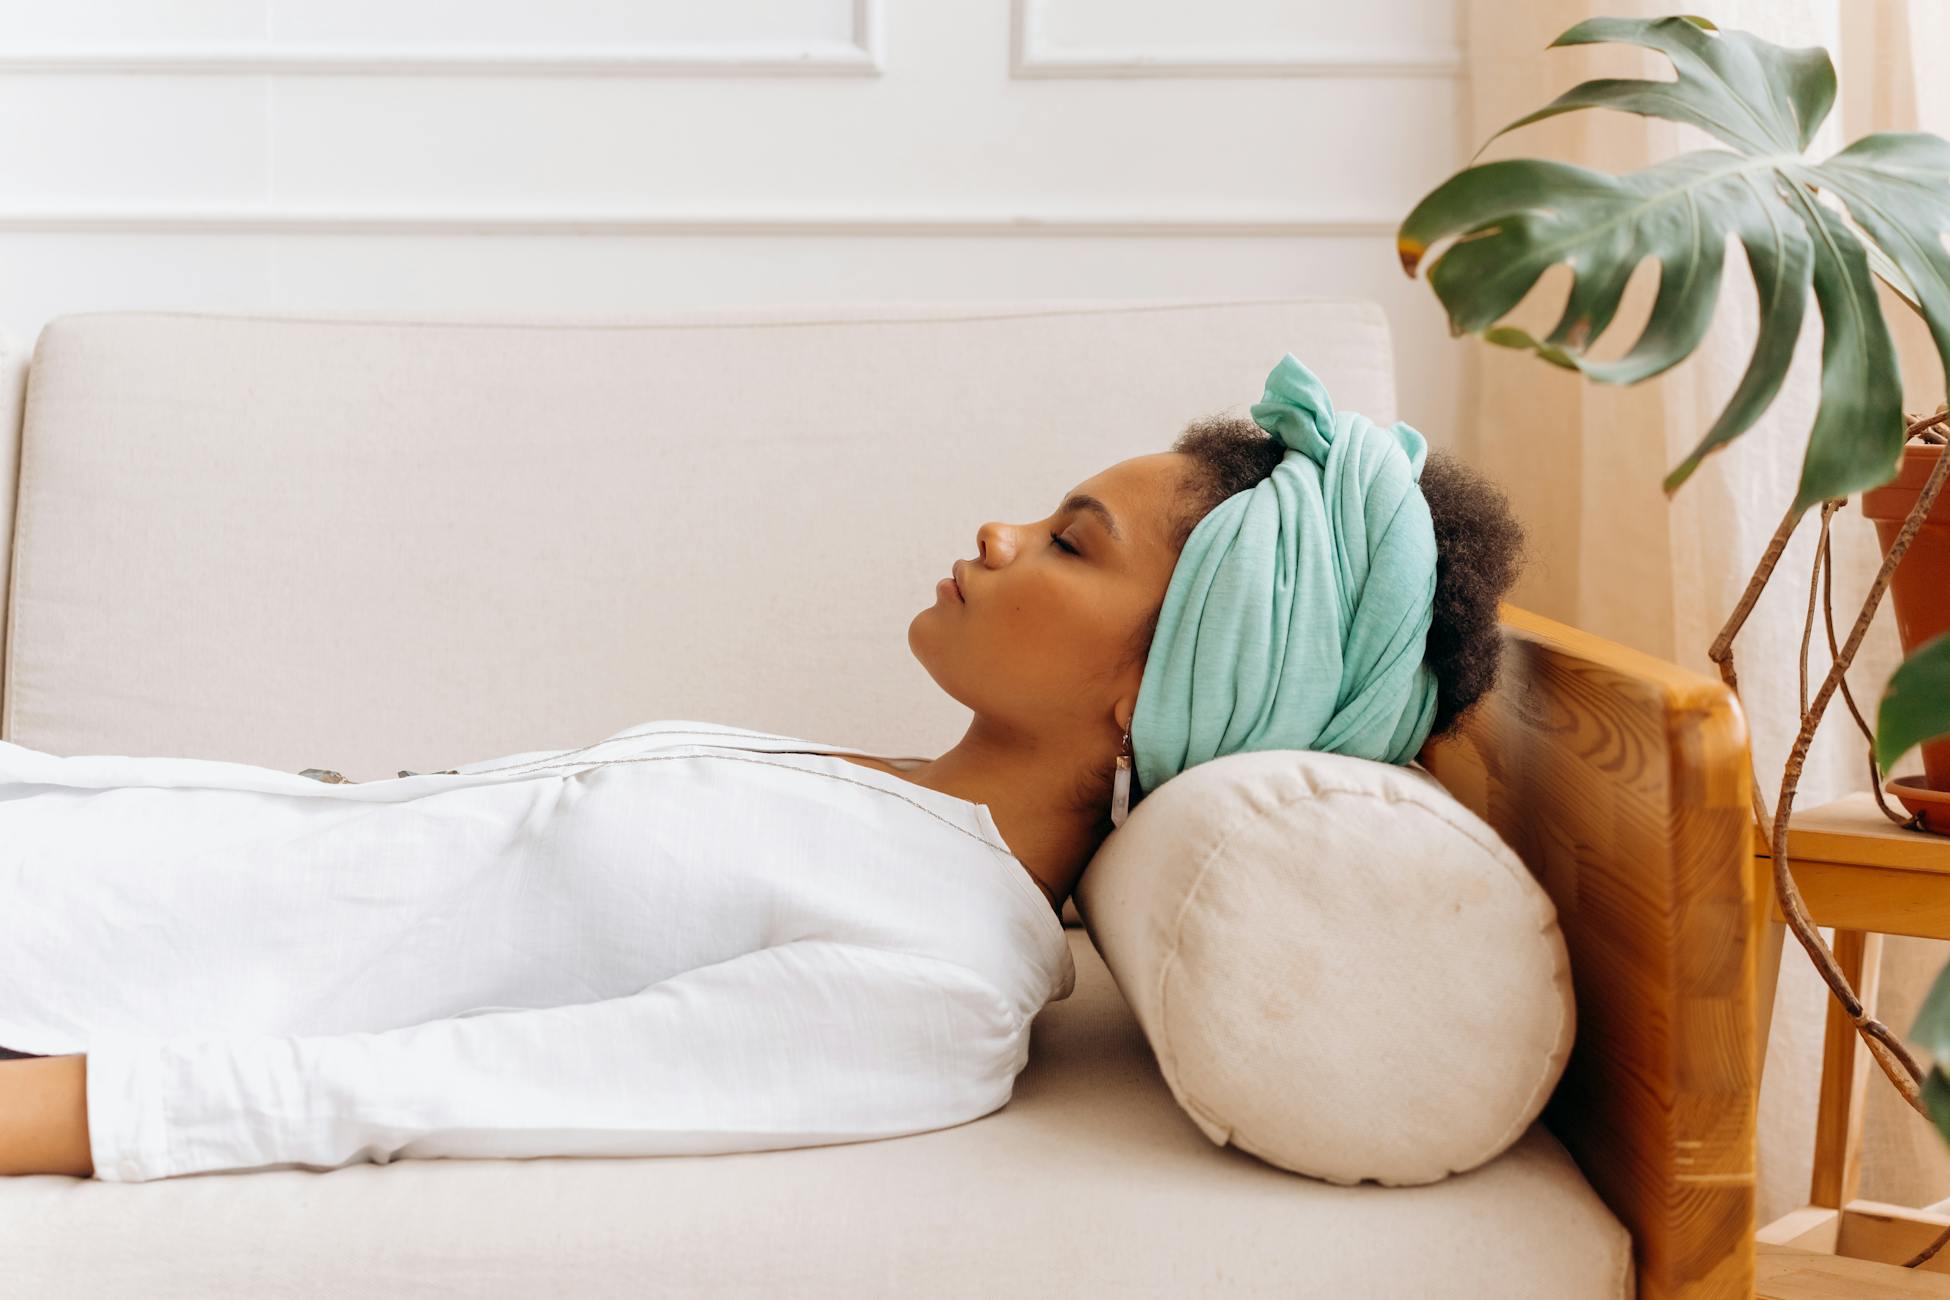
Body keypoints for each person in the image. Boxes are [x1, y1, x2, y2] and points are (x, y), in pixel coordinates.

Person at [0, 353, 1525, 1183]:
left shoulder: (938, 985)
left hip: (58, 990)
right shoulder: (881, 798)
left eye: (1069, 541)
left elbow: (452, 1084)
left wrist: (65, 1118)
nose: (997, 536)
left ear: (1159, 681)